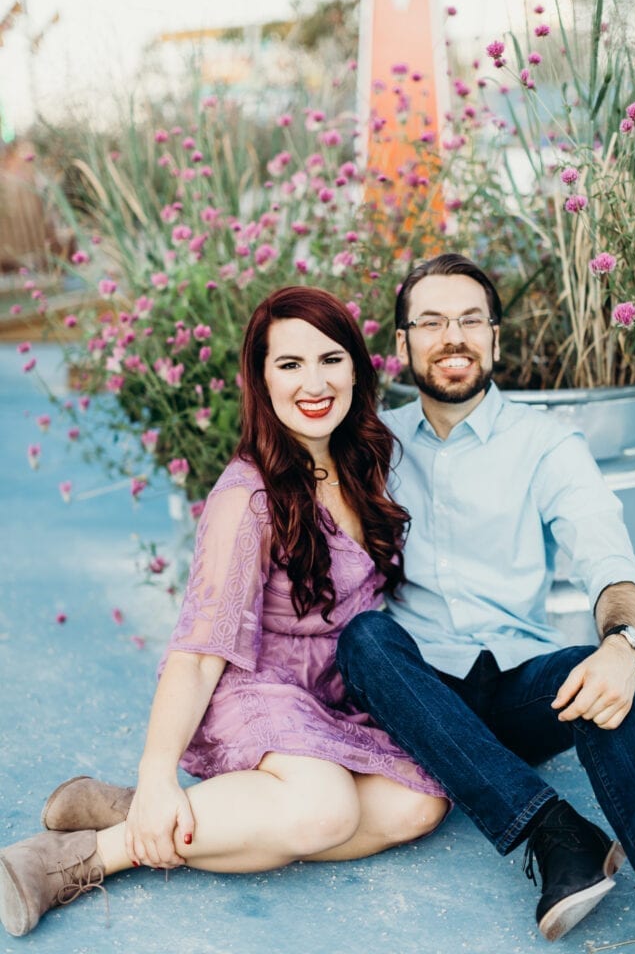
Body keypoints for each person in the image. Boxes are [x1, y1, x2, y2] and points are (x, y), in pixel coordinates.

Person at [0, 286, 448, 938]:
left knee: (418, 806)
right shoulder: (249, 496)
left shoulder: (366, 463)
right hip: (254, 683)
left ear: (356, 367)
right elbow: (198, 651)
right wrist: (159, 772)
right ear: (260, 379)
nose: (313, 382)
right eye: (288, 365)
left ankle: (169, 811)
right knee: (323, 812)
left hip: (336, 691)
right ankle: (82, 856)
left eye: (330, 359)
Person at [335, 254, 635, 951]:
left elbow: (605, 557)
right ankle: (555, 833)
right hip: (418, 690)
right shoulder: (372, 444)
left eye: (469, 320)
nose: (451, 336)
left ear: (495, 337)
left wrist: (621, 646)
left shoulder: (546, 443)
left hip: (517, 687)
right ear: (401, 343)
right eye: (429, 322)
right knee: (364, 638)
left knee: (592, 671)